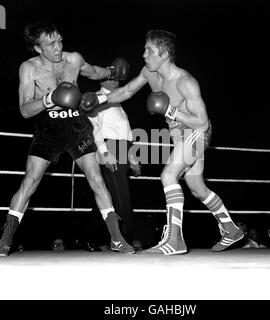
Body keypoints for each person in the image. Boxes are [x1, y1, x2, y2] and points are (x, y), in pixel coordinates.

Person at [80, 29, 244, 255]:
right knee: (197, 188)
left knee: (168, 175)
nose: (144, 55)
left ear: (164, 53)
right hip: (179, 135)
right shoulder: (149, 73)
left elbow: (202, 123)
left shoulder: (185, 82)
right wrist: (100, 99)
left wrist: (171, 111)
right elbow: (126, 91)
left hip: (197, 131)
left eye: (149, 50)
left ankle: (175, 240)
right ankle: (230, 228)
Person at [0, 21, 134, 256]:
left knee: (96, 178)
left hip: (77, 127)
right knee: (30, 181)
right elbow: (24, 109)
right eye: (51, 44)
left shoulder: (73, 59)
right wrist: (50, 98)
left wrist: (113, 72)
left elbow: (94, 72)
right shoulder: (29, 68)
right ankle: (5, 239)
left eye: (60, 40)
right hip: (48, 128)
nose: (58, 47)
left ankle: (116, 238)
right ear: (38, 48)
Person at [87, 78, 142, 249]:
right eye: (112, 76)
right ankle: (124, 238)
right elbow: (94, 128)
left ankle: (95, 239)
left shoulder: (117, 99)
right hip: (110, 147)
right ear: (103, 80)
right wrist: (105, 152)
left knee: (108, 195)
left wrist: (132, 159)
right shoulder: (96, 97)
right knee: (121, 196)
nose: (116, 79)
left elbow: (124, 131)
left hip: (122, 147)